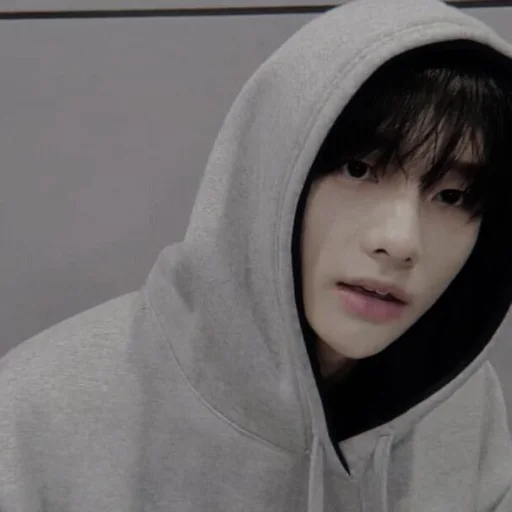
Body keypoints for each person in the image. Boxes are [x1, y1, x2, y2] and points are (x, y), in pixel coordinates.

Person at [1, 0, 512, 509]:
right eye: (357, 169)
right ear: (271, 166)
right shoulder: (36, 414)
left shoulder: (458, 404)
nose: (400, 242)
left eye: (453, 197)